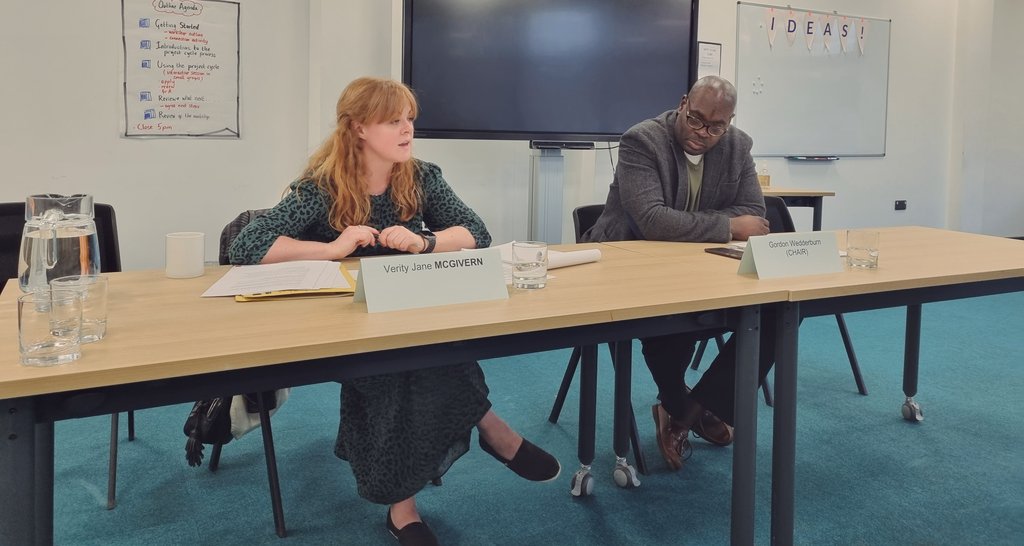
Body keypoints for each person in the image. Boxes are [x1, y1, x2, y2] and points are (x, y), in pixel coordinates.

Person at [229, 77, 560, 546]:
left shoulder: (421, 175)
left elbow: (477, 232)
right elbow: (248, 245)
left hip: (412, 306)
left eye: (409, 120)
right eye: (393, 121)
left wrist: (425, 241)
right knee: (400, 369)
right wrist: (334, 247)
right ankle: (487, 434)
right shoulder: (321, 185)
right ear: (359, 128)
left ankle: (407, 504)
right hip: (350, 318)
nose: (407, 130)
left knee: (432, 350)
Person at [582, 75, 776, 471]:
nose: (701, 133)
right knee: (673, 312)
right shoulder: (642, 140)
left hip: (700, 266)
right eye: (695, 119)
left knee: (775, 313)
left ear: (730, 122)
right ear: (684, 102)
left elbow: (754, 215)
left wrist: (708, 224)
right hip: (627, 266)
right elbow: (652, 221)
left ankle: (689, 412)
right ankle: (677, 401)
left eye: (715, 126)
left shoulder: (739, 146)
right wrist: (728, 225)